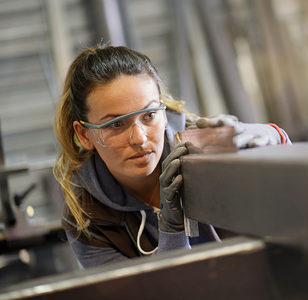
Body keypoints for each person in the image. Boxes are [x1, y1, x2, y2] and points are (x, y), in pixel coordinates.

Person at [53, 45, 291, 268]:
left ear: (163, 112)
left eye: (148, 116)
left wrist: (270, 135)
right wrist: (171, 232)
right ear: (85, 135)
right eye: (116, 125)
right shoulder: (86, 218)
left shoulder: (201, 147)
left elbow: (296, 186)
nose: (140, 139)